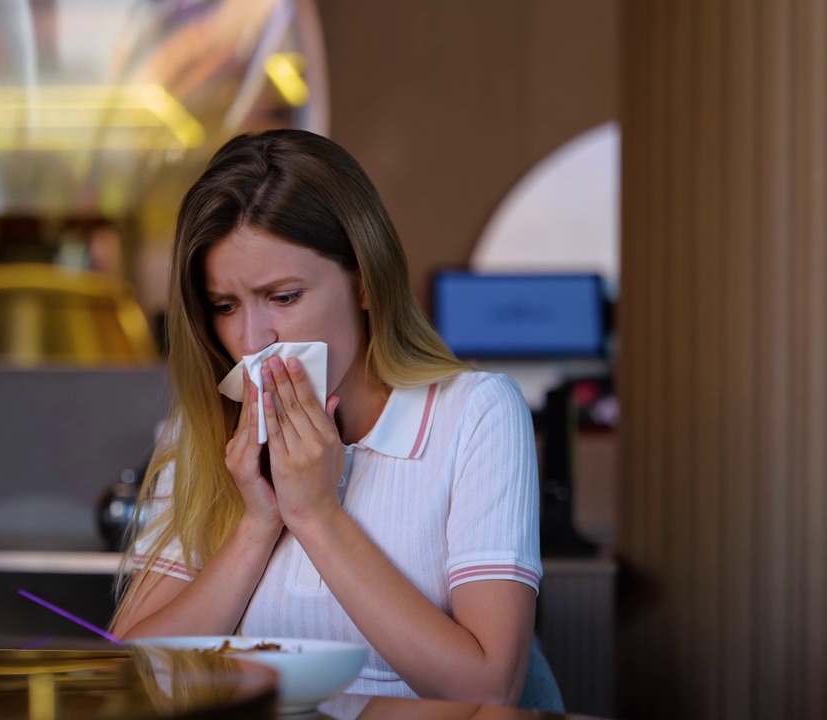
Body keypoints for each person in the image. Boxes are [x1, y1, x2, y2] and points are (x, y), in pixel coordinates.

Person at [110, 129, 542, 705]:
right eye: (225, 306)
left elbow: (490, 690)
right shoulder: (209, 429)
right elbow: (124, 674)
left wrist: (315, 514)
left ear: (364, 283)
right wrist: (257, 524)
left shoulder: (475, 414)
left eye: (284, 297)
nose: (251, 340)